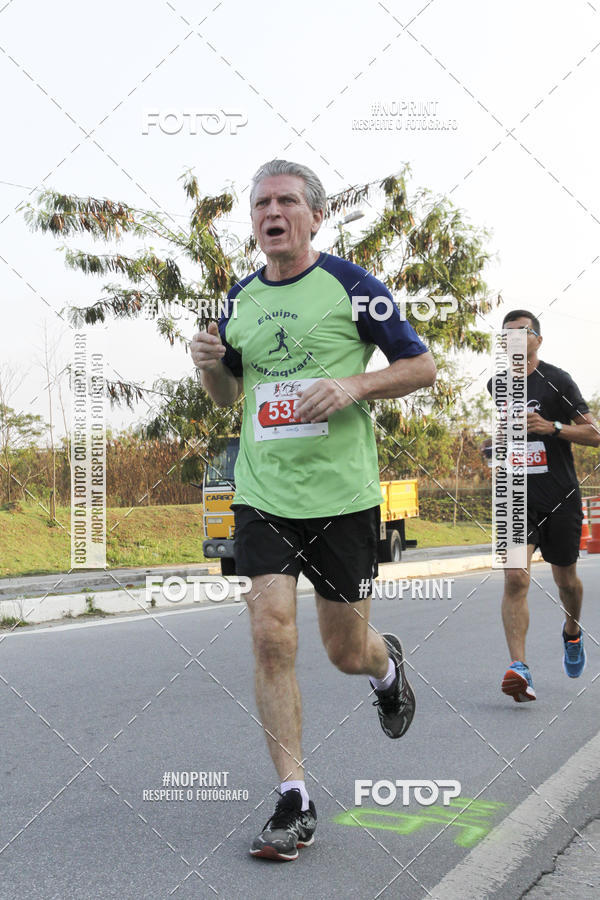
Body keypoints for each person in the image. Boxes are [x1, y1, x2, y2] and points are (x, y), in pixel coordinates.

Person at [190, 159, 436, 860]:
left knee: (342, 650)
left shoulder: (354, 287)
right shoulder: (238, 299)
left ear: (314, 215)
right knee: (272, 635)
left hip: (343, 500)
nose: (272, 212)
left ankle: (385, 667)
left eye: (286, 200)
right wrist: (208, 361)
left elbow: (421, 367)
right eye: (261, 202)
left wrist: (355, 385)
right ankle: (293, 799)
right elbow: (225, 398)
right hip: (263, 496)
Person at [487, 310, 599, 703]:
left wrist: (551, 427)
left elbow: (594, 433)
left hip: (560, 496)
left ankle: (572, 629)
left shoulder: (559, 380)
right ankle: (519, 667)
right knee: (515, 578)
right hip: (516, 497)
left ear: (537, 339)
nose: (513, 339)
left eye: (522, 332)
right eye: (507, 334)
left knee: (565, 580)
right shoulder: (496, 384)